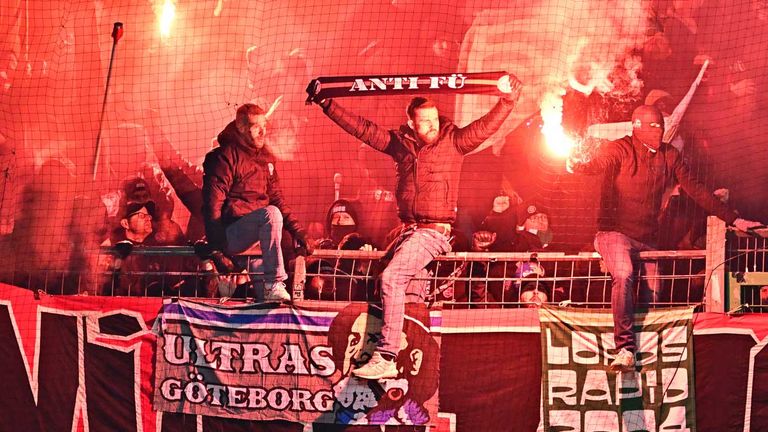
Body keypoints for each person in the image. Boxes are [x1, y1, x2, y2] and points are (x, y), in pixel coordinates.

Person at [308, 76, 522, 379]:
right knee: (402, 292)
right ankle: (405, 365)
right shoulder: (400, 144)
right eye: (425, 121)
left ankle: (387, 354)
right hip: (407, 231)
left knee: (392, 279)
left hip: (434, 232)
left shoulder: (454, 141)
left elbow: (486, 126)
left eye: (435, 119)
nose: (432, 125)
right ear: (411, 123)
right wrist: (327, 104)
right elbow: (363, 129)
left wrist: (508, 101)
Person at [566, 104, 763, 372]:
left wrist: (734, 219)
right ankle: (624, 348)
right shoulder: (620, 148)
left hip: (647, 239)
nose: (658, 133)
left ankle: (647, 347)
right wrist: (579, 164)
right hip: (613, 233)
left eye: (661, 127)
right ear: (636, 127)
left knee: (655, 290)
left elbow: (696, 189)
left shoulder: (670, 155)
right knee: (623, 273)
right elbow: (599, 164)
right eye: (652, 127)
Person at [202, 103, 309, 302]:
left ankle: (269, 294)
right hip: (233, 234)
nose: (263, 132)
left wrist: (298, 230)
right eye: (256, 127)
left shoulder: (266, 159)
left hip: (259, 240)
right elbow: (212, 205)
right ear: (242, 128)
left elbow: (276, 198)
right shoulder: (225, 157)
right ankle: (274, 282)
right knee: (271, 214)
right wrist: (217, 248)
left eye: (265, 126)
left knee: (271, 303)